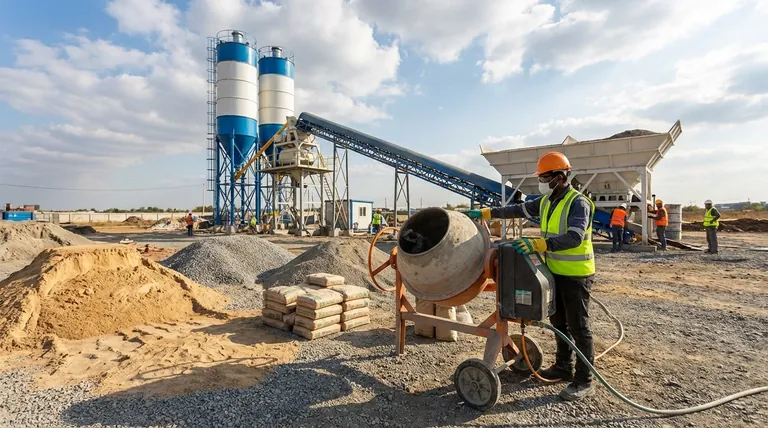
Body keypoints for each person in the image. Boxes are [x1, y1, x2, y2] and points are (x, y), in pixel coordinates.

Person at [462, 151, 597, 402]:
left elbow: (575, 237)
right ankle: (564, 367)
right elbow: (516, 209)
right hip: (553, 273)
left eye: (545, 177)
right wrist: (485, 213)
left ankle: (584, 381)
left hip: (576, 275)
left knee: (579, 328)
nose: (542, 182)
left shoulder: (578, 203)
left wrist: (539, 244)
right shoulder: (546, 202)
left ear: (560, 176)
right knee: (559, 324)